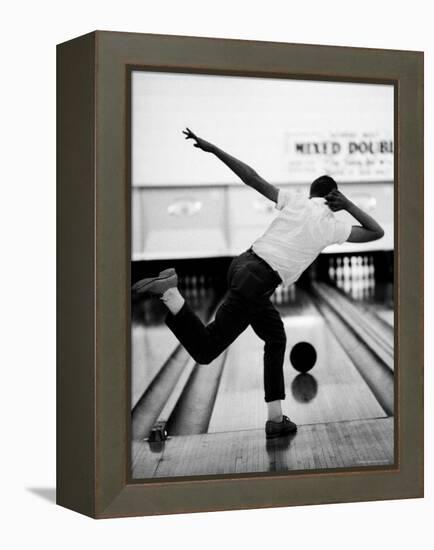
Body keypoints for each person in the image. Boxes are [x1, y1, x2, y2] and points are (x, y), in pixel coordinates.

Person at [132, 128, 385, 439]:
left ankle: (276, 419)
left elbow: (251, 178)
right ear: (333, 198)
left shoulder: (295, 201)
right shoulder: (334, 225)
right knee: (206, 350)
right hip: (259, 281)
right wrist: (347, 205)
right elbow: (376, 233)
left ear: (311, 194)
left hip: (241, 264)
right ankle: (170, 293)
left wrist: (214, 149)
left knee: (275, 337)